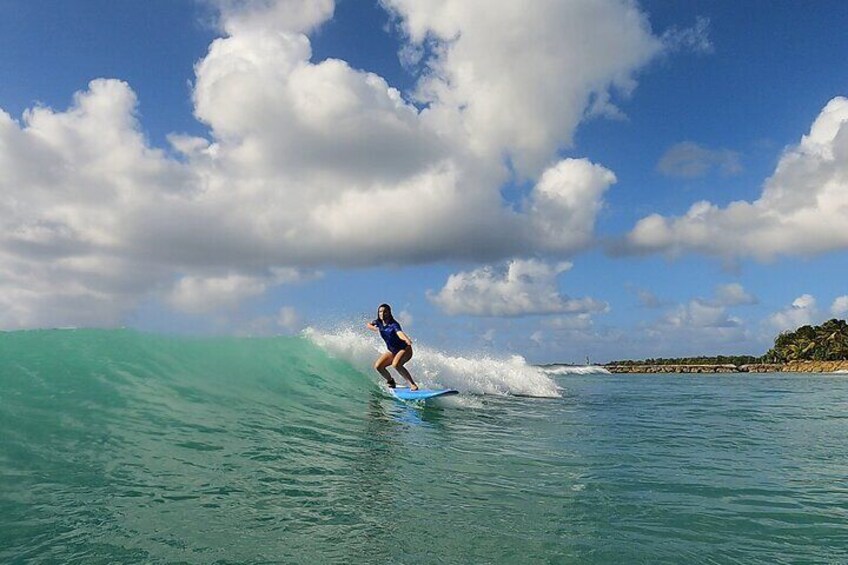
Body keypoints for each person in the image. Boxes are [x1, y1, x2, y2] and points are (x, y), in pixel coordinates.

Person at [366, 304, 418, 390]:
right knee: (378, 366)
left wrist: (406, 339)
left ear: (389, 313)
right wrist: (374, 328)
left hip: (404, 349)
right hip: (392, 351)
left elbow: (399, 333)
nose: (382, 314)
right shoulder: (378, 322)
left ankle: (413, 385)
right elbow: (368, 324)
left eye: (385, 312)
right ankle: (390, 381)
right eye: (380, 311)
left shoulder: (394, 324)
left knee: (396, 365)